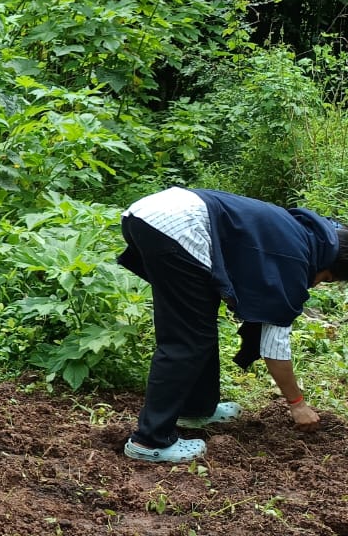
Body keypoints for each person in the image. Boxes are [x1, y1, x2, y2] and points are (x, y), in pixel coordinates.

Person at [117, 187, 348, 463]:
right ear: (330, 267)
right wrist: (297, 405)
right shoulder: (297, 260)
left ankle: (196, 409)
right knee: (186, 339)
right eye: (327, 279)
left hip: (152, 215)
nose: (317, 283)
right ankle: (149, 440)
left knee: (197, 329)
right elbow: (275, 348)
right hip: (178, 227)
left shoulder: (307, 234)